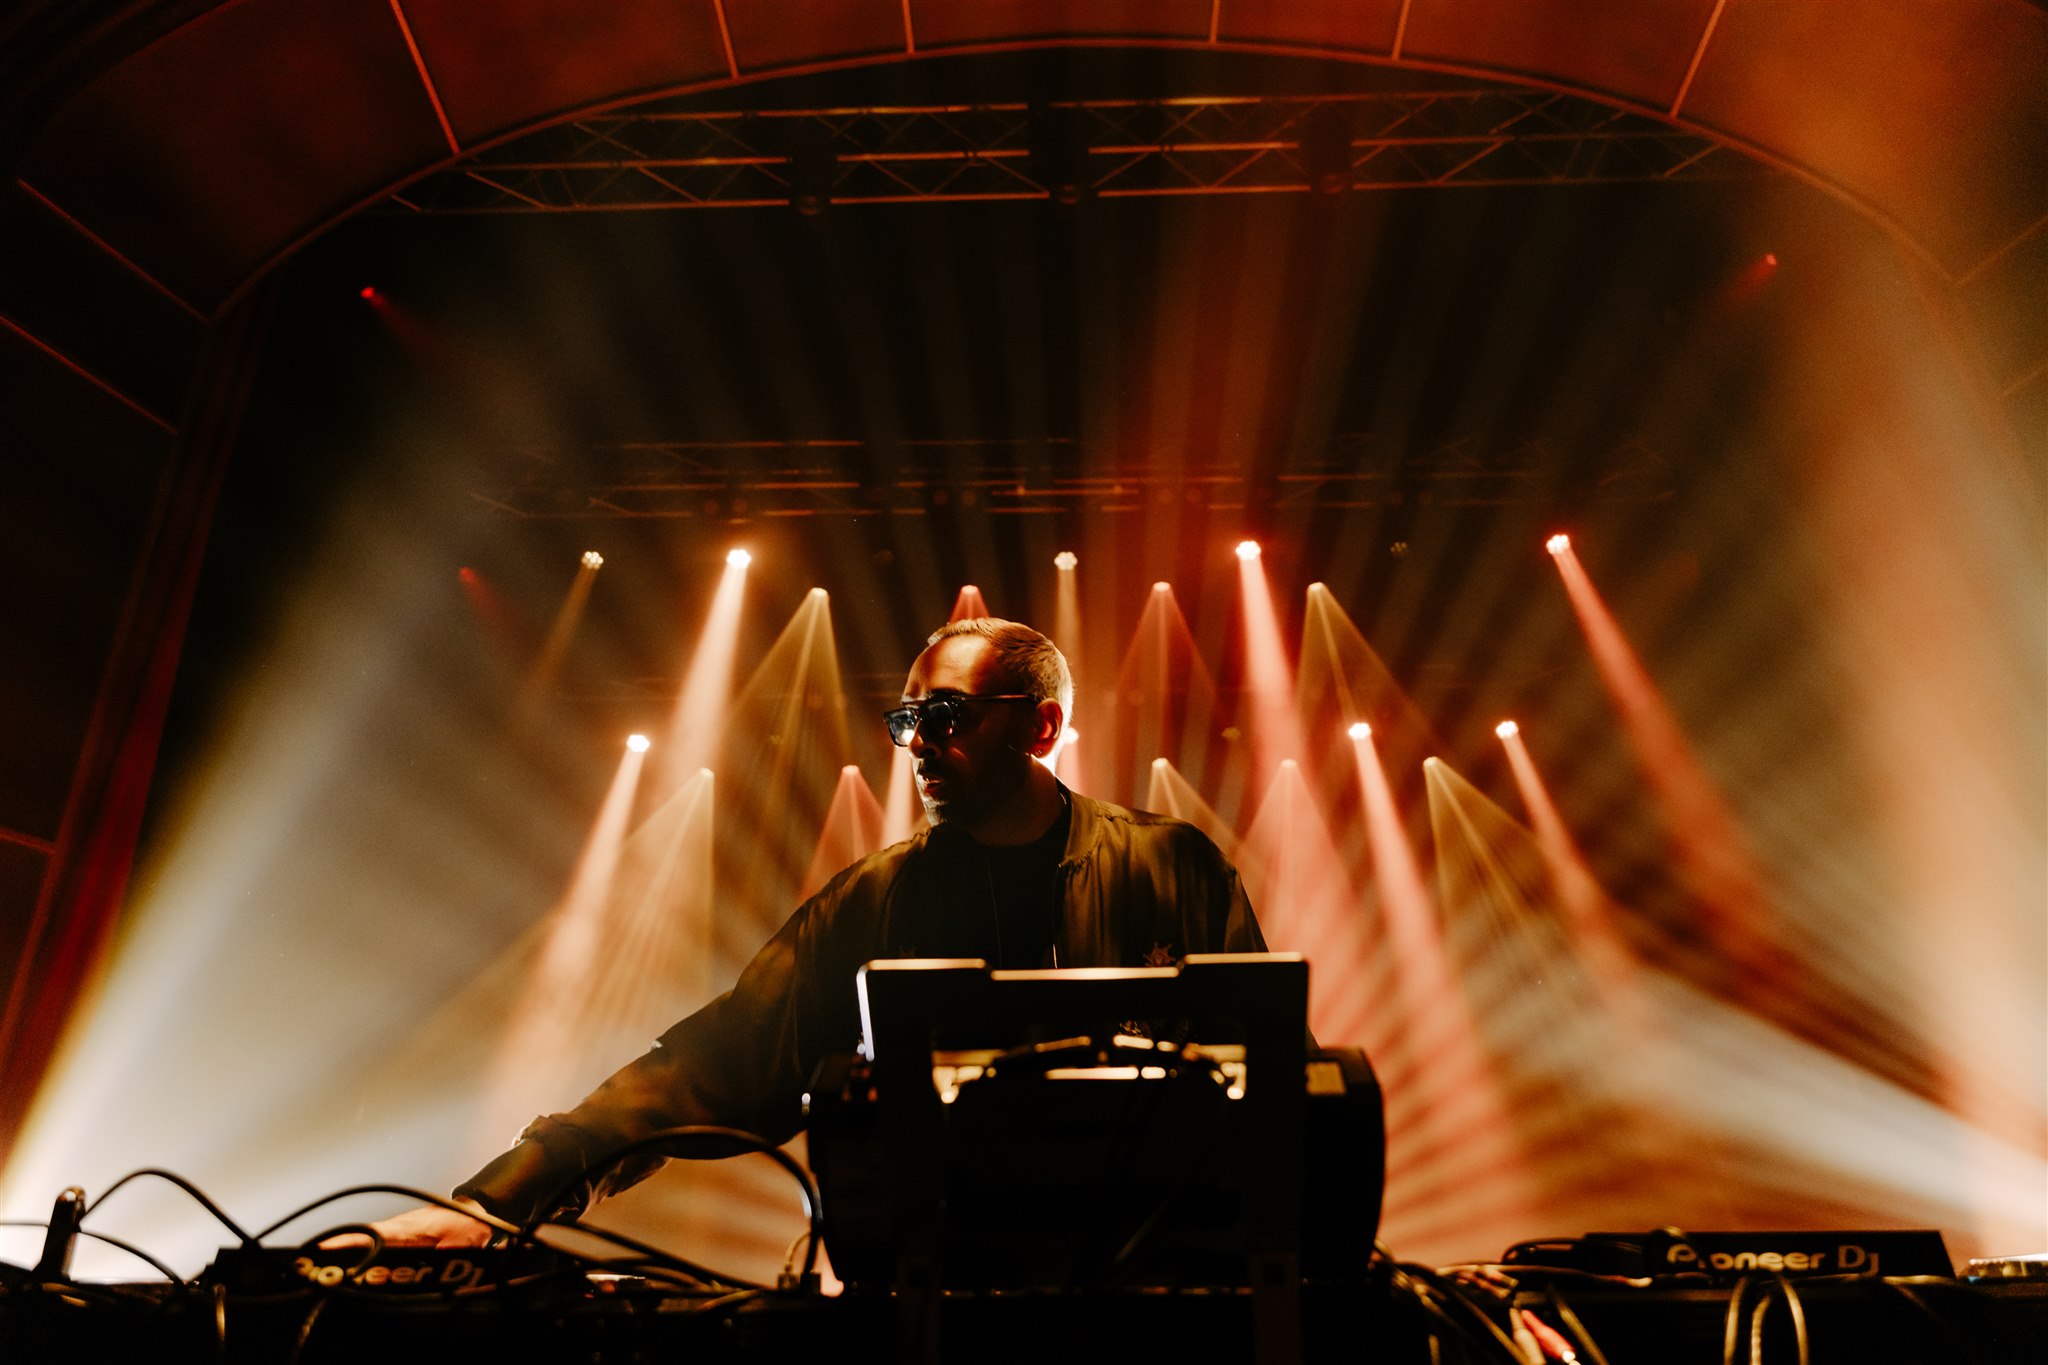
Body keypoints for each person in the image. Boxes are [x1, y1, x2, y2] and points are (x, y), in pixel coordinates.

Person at [365, 617, 1267, 1246]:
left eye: (945, 717)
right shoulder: (871, 902)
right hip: (937, 1292)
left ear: (1042, 725)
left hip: (1160, 1289)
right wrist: (502, 1202)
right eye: (907, 721)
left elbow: (1278, 1073)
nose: (918, 744)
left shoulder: (1173, 867)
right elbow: (710, 1066)